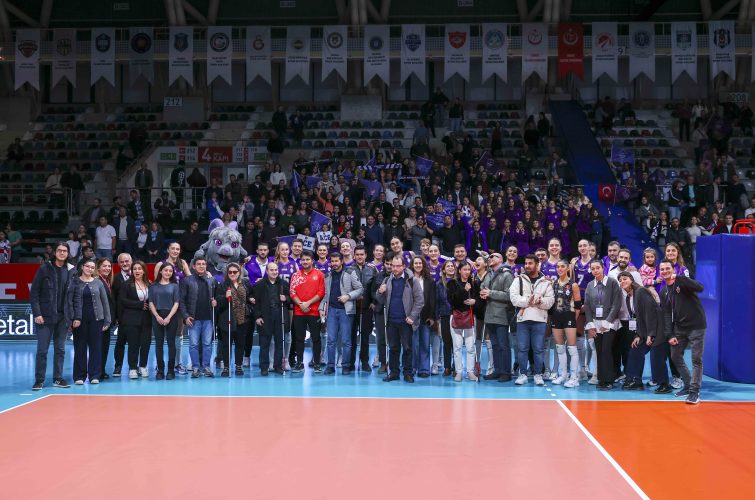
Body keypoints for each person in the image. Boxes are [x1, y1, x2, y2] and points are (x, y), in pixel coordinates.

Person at [659, 260, 706, 404]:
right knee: (675, 356)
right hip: (679, 328)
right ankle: (687, 385)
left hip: (696, 326)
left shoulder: (682, 282)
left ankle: (694, 392)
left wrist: (680, 278)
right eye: (662, 269)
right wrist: (669, 334)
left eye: (668, 268)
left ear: (673, 269)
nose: (665, 271)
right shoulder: (663, 291)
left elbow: (700, 287)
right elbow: (667, 314)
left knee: (696, 359)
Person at [617, 272, 672, 394]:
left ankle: (664, 384)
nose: (622, 281)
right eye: (620, 280)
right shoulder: (628, 297)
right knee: (635, 350)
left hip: (657, 328)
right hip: (645, 331)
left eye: (625, 279)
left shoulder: (641, 291)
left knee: (656, 356)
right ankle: (636, 381)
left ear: (631, 280)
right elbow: (637, 318)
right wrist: (638, 335)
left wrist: (650, 334)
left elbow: (651, 312)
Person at [31, 243, 75, 390]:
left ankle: (58, 378)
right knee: (42, 350)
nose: (62, 253)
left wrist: (72, 316)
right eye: (59, 250)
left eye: (65, 251)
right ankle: (39, 380)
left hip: (63, 317)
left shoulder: (71, 270)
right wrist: (37, 313)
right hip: (45, 317)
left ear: (68, 253)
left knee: (60, 350)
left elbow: (74, 295)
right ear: (55, 252)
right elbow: (34, 293)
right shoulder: (44, 269)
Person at [509, 254, 555, 386]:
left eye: (530, 263)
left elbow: (550, 300)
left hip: (540, 320)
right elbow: (514, 298)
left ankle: (538, 374)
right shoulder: (518, 280)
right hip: (522, 319)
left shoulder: (546, 282)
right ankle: (522, 374)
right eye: (526, 263)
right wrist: (527, 301)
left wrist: (540, 301)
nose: (527, 266)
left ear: (537, 264)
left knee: (538, 349)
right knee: (522, 349)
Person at [377, 255, 424, 383]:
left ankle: (408, 373)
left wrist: (412, 316)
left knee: (407, 348)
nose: (395, 268)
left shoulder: (412, 280)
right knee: (393, 348)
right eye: (393, 266)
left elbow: (420, 301)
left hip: (406, 321)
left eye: (398, 266)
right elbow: (379, 300)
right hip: (391, 321)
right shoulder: (387, 280)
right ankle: (394, 373)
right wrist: (380, 292)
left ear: (404, 266)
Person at [66, 259, 111, 385]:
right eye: (87, 266)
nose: (90, 269)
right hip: (79, 321)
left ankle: (94, 375)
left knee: (96, 348)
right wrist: (70, 319)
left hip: (97, 320)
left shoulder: (98, 283)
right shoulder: (74, 282)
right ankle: (79, 376)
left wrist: (107, 320)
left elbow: (105, 303)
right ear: (82, 267)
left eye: (92, 267)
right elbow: (69, 302)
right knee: (79, 347)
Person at [320, 252, 363, 375]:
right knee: (331, 340)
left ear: (341, 261)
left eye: (336, 261)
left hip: (346, 311)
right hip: (331, 310)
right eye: (332, 261)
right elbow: (326, 294)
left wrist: (348, 296)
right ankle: (330, 366)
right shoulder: (327, 275)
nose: (334, 263)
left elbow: (360, 289)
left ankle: (346, 366)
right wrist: (321, 307)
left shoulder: (350, 272)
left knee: (346, 341)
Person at [583, 259, 623, 390]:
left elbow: (616, 303)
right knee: (599, 351)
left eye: (597, 268)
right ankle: (601, 378)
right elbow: (587, 306)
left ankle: (609, 379)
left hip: (610, 323)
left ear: (603, 268)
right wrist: (590, 325)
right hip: (596, 324)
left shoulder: (612, 282)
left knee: (606, 350)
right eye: (593, 269)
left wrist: (608, 321)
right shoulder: (590, 285)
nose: (595, 271)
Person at [154, 243, 192, 374]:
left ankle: (177, 363)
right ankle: (159, 364)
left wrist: (206, 273)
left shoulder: (183, 263)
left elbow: (191, 280)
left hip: (179, 304)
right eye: (173, 248)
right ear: (168, 250)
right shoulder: (160, 264)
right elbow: (156, 285)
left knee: (178, 334)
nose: (175, 251)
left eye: (178, 249)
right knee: (161, 336)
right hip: (162, 304)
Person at [479, 251, 515, 382]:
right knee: (494, 345)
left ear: (500, 259)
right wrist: (482, 292)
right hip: (489, 314)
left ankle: (506, 372)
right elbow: (483, 287)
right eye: (489, 257)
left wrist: (490, 293)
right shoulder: (489, 274)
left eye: (492, 256)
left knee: (503, 345)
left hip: (502, 315)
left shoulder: (507, 274)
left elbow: (509, 295)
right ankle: (498, 370)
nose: (489, 258)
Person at [179, 257, 217, 378]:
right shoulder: (186, 281)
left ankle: (206, 367)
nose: (201, 266)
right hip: (193, 319)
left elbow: (216, 297)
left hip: (208, 319)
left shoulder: (212, 280)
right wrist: (186, 316)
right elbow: (181, 301)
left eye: (203, 264)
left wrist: (215, 302)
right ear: (194, 266)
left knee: (207, 344)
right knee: (193, 344)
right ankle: (195, 367)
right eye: (199, 264)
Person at [214, 263, 253, 377]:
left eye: (234, 272)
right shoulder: (222, 285)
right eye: (230, 272)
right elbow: (218, 302)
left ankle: (238, 365)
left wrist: (251, 303)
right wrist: (225, 297)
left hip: (242, 320)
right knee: (226, 345)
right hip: (226, 319)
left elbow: (251, 297)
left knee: (240, 344)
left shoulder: (245, 283)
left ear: (239, 273)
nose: (232, 274)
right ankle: (226, 367)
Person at [289, 251, 325, 373]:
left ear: (312, 261)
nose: (305, 262)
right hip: (299, 312)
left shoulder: (319, 274)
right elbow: (292, 292)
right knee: (299, 338)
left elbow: (321, 292)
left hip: (314, 312)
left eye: (307, 259)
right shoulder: (295, 275)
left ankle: (317, 363)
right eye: (303, 260)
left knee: (316, 338)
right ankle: (299, 363)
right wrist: (301, 304)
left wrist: (307, 303)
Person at [252, 262, 290, 375]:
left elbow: (290, 299)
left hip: (280, 316)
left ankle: (278, 366)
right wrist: (257, 317)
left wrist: (286, 298)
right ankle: (264, 367)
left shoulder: (283, 283)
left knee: (280, 343)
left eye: (276, 270)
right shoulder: (259, 284)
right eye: (272, 270)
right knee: (264, 344)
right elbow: (256, 303)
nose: (274, 272)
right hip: (265, 317)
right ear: (267, 271)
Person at [549, 260, 582, 387]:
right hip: (556, 316)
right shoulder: (554, 283)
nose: (560, 269)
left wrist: (574, 319)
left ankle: (574, 377)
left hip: (569, 315)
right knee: (559, 347)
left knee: (572, 347)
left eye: (562, 266)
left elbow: (578, 305)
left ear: (568, 268)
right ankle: (563, 375)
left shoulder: (573, 284)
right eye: (558, 267)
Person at [118, 261, 152, 379]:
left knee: (145, 344)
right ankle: (132, 368)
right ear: (132, 271)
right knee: (133, 345)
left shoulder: (149, 284)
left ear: (144, 271)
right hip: (131, 319)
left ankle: (143, 366)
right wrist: (139, 304)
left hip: (146, 319)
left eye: (140, 269)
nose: (137, 271)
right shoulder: (126, 284)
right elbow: (123, 300)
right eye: (135, 269)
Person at [447, 262, 480, 382]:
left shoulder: (474, 283)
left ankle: (470, 372)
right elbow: (451, 300)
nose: (467, 272)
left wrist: (474, 301)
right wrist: (463, 291)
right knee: (457, 346)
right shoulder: (452, 283)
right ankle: (459, 372)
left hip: (470, 317)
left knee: (471, 346)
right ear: (459, 270)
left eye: (468, 270)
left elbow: (479, 299)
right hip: (456, 316)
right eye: (464, 269)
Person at [149, 263, 180, 380]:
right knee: (159, 344)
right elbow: (151, 302)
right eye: (166, 270)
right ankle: (160, 370)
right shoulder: (153, 286)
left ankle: (171, 370)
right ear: (161, 271)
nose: (168, 273)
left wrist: (169, 317)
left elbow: (176, 302)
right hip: (157, 316)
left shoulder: (175, 286)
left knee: (171, 343)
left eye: (170, 271)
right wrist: (157, 316)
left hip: (171, 316)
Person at [348, 246, 377, 372]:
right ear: (354, 256)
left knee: (365, 337)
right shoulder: (349, 270)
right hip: (352, 308)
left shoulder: (372, 269)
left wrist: (374, 301)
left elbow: (376, 287)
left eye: (362, 254)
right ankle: (350, 362)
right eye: (357, 254)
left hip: (367, 308)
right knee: (351, 337)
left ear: (365, 255)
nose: (359, 256)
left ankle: (365, 362)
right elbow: (345, 288)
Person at [410, 256, 436, 378]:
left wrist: (432, 316)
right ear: (412, 265)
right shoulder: (408, 280)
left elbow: (433, 300)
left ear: (423, 265)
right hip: (412, 317)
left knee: (425, 344)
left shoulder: (429, 281)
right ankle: (412, 367)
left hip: (425, 317)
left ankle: (424, 369)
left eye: (420, 263)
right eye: (416, 263)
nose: (418, 265)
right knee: (413, 344)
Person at [111, 253, 132, 376]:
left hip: (137, 316)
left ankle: (133, 367)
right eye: (122, 262)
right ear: (118, 264)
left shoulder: (139, 275)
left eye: (127, 261)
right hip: (122, 317)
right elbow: (114, 299)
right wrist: (116, 317)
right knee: (120, 343)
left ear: (131, 261)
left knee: (135, 344)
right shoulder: (115, 278)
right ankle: (118, 366)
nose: (125, 263)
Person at [96, 258, 114, 380]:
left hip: (107, 320)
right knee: (99, 347)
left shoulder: (107, 281)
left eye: (109, 266)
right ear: (98, 268)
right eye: (104, 266)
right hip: (100, 320)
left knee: (104, 346)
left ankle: (101, 370)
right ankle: (97, 371)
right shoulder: (97, 281)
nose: (107, 268)